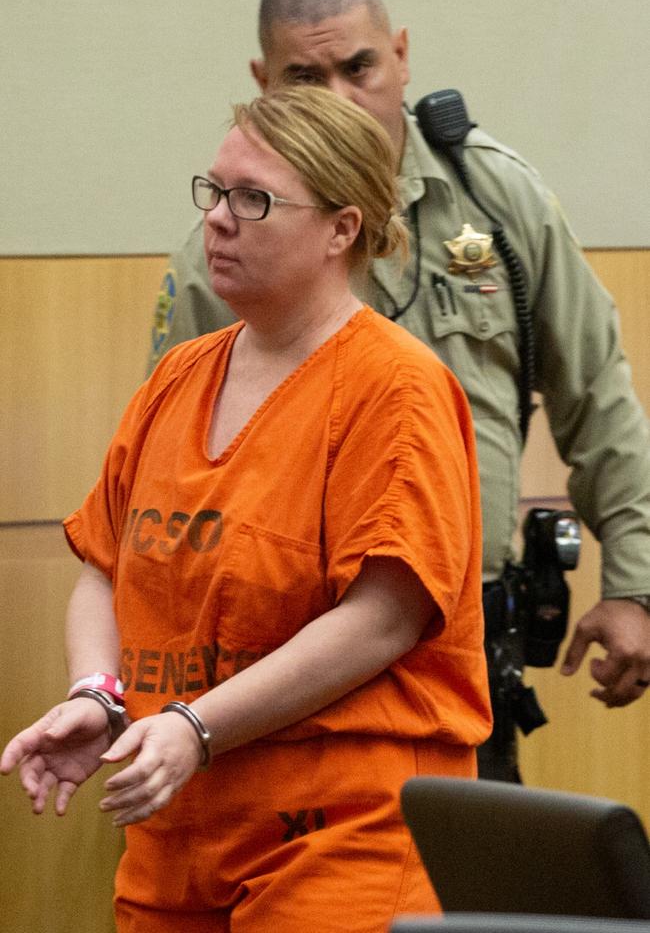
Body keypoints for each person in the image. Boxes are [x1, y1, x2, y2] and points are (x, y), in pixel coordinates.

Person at [146, 0, 650, 782]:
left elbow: (598, 396)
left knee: (468, 890)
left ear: (403, 56)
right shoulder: (225, 253)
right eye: (306, 77)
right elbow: (166, 482)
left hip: (464, 632)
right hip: (282, 659)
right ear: (263, 81)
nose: (340, 98)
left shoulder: (499, 200)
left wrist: (636, 583)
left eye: (360, 67)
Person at [1, 86, 491, 933]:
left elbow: (383, 618)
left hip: (340, 840)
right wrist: (100, 695)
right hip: (177, 833)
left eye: (254, 200)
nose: (218, 221)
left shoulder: (396, 388)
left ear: (343, 228)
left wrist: (196, 723)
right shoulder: (177, 377)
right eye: (214, 191)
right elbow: (104, 566)